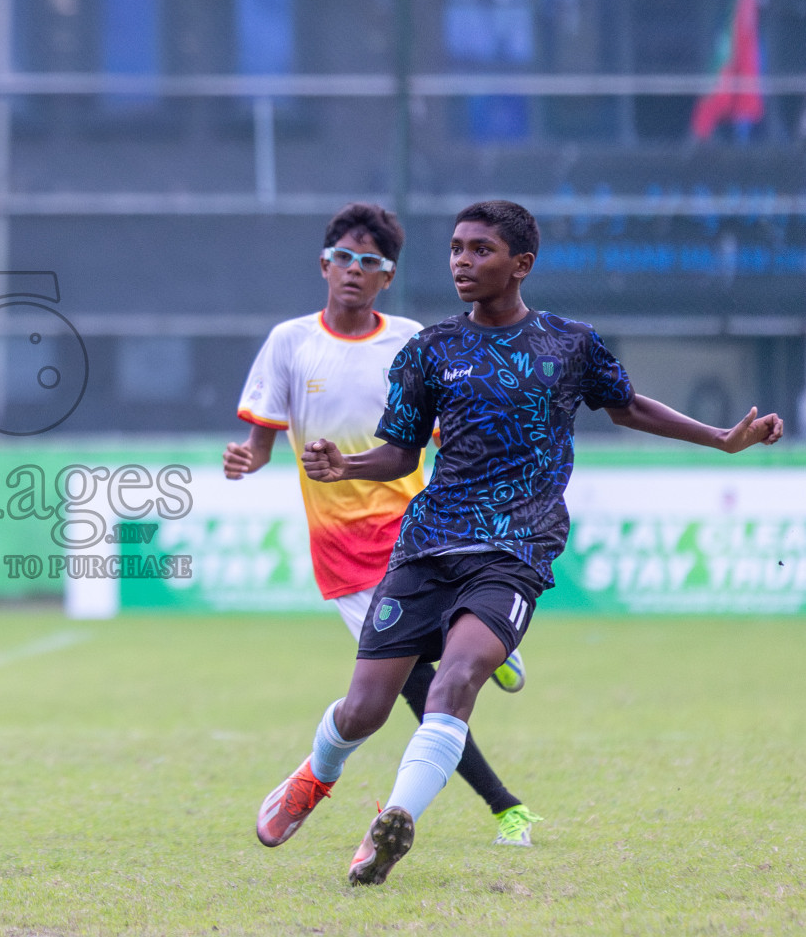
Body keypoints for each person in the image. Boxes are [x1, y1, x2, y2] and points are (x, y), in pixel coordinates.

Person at [285, 200, 783, 887]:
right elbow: (399, 454)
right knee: (363, 709)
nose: (461, 260)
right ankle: (318, 774)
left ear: (520, 264)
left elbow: (627, 404)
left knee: (456, 680)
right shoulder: (430, 350)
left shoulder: (568, 343)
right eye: (456, 248)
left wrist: (721, 438)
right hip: (429, 543)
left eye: (479, 249)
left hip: (517, 547)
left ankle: (389, 826)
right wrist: (346, 465)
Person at [224, 203, 543, 852]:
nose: (353, 270)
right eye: (343, 257)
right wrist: (244, 459)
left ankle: (489, 799)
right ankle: (495, 795)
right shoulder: (289, 342)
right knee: (402, 690)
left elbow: (437, 437)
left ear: (387, 276)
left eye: (369, 262)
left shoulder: (411, 342)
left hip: (422, 537)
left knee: (433, 682)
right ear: (323, 265)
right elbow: (259, 440)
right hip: (343, 553)